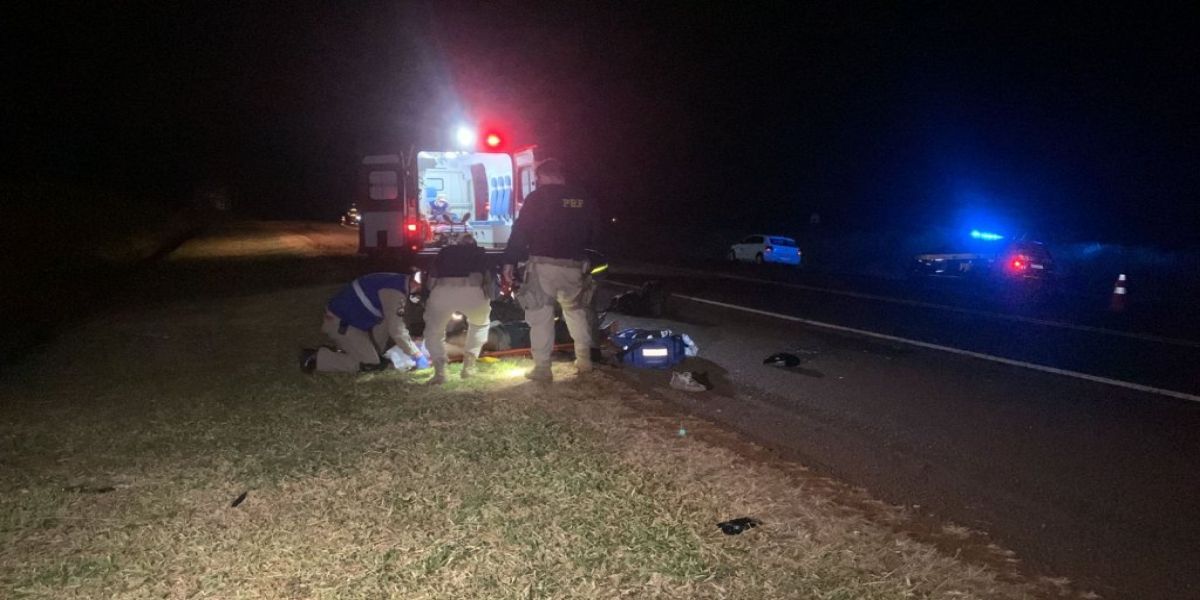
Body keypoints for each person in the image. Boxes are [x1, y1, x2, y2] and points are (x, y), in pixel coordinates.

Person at [501, 159, 595, 382]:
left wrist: (509, 261)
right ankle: (584, 360)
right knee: (576, 312)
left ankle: (542, 368)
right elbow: (595, 232)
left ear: (543, 176)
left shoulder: (537, 197)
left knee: (541, 314)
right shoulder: (583, 198)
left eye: (537, 178)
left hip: (543, 266)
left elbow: (521, 231)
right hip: (574, 266)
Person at [301, 272, 427, 373]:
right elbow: (396, 330)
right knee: (370, 363)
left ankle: (350, 350)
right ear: (416, 284)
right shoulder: (395, 293)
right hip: (341, 323)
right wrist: (416, 354)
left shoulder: (399, 282)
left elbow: (392, 321)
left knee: (378, 355)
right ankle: (316, 358)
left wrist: (410, 342)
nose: (417, 296)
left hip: (355, 321)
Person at [422, 234, 493, 384]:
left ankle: (440, 372)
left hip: (443, 290)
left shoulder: (445, 251)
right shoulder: (480, 252)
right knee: (479, 325)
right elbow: (489, 278)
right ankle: (469, 367)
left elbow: (431, 279)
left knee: (434, 332)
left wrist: (429, 296)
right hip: (473, 291)